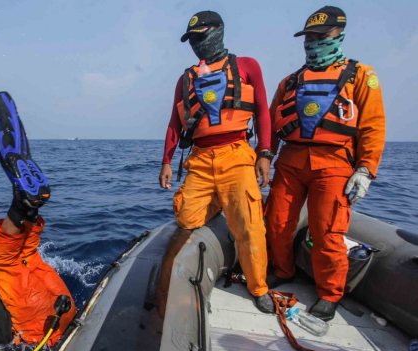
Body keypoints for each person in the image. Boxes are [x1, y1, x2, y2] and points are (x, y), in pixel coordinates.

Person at [265, 6, 386, 321]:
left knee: (328, 231)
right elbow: (271, 124)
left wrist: (365, 170)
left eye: (320, 36)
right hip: (290, 162)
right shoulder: (290, 81)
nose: (313, 42)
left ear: (338, 35)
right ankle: (282, 269)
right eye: (309, 37)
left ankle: (330, 293)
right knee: (276, 222)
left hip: (335, 164)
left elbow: (373, 126)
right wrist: (263, 155)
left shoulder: (362, 75)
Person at [158, 11, 276, 313]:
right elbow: (174, 123)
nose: (196, 44)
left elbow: (263, 110)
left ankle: (258, 286)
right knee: (185, 217)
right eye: (191, 40)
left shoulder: (247, 66)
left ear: (216, 33)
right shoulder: (185, 79)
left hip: (236, 153)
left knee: (250, 226)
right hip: (198, 159)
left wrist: (265, 152)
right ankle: (220, 205)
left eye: (200, 37)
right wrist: (166, 161)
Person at [0, 89, 77, 349]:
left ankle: (25, 206)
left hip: (54, 312)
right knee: (14, 259)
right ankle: (26, 207)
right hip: (50, 314)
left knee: (21, 258)